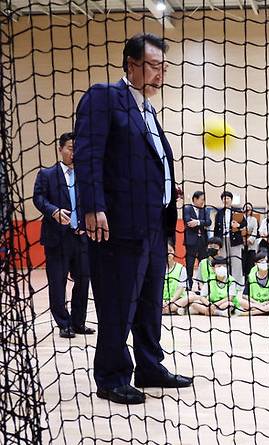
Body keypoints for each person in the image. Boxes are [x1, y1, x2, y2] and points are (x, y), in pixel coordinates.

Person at [75, 33, 192, 404]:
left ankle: (149, 366)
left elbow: (145, 162)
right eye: (153, 66)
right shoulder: (105, 97)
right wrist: (92, 206)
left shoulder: (148, 111)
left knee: (148, 301)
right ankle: (111, 376)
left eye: (163, 67)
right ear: (131, 64)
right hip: (119, 226)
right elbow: (88, 154)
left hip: (154, 225)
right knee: (117, 302)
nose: (160, 74)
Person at [33, 132, 94, 339]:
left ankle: (78, 322)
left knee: (84, 280)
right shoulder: (46, 174)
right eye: (70, 147)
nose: (73, 152)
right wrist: (53, 211)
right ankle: (63, 323)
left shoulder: (87, 175)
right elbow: (38, 198)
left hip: (82, 237)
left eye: (77, 148)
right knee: (58, 282)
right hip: (57, 238)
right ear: (60, 149)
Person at [213, 191, 247, 285]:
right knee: (223, 261)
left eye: (228, 198)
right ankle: (223, 281)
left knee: (236, 261)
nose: (226, 200)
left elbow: (245, 224)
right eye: (224, 198)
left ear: (231, 200)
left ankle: (237, 283)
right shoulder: (219, 213)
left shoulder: (237, 211)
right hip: (222, 240)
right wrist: (216, 243)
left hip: (235, 240)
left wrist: (238, 225)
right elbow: (216, 229)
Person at [183, 191, 212, 289]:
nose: (203, 201)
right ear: (195, 199)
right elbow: (188, 221)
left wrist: (198, 222)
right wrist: (200, 223)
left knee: (203, 264)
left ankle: (202, 285)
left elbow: (208, 222)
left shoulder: (205, 210)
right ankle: (189, 284)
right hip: (191, 241)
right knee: (190, 264)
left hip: (203, 241)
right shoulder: (187, 208)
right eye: (201, 199)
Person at [162, 242, 198, 315]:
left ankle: (170, 309)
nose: (168, 254)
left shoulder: (181, 269)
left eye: (170, 251)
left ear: (174, 252)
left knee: (192, 296)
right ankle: (176, 309)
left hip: (176, 299)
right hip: (160, 300)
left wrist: (171, 301)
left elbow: (181, 289)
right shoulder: (157, 268)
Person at [242, 202, 259, 282]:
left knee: (250, 263)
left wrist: (250, 240)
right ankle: (243, 281)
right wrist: (243, 240)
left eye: (249, 208)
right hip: (241, 244)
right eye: (246, 208)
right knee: (243, 263)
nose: (247, 209)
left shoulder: (254, 219)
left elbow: (255, 231)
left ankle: (250, 281)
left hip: (251, 245)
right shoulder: (239, 218)